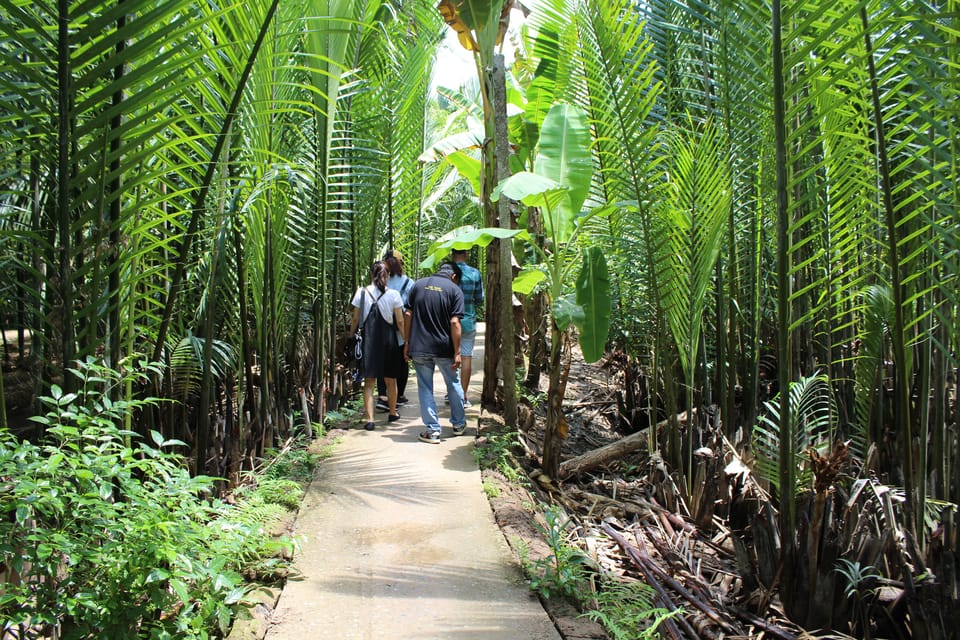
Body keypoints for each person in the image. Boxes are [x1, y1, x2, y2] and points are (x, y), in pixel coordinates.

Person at [403, 262, 466, 443]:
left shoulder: (418, 285)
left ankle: (432, 431)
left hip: (420, 347)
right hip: (445, 348)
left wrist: (407, 343)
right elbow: (455, 323)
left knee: (425, 387)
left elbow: (408, 315)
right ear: (454, 277)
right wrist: (458, 352)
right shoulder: (454, 291)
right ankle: (459, 424)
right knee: (453, 383)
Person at [349, 261, 405, 430]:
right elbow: (400, 321)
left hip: (369, 341)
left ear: (372, 275)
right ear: (387, 275)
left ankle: (370, 419)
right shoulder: (394, 294)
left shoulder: (361, 292)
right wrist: (406, 340)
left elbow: (355, 319)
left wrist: (350, 335)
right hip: (389, 341)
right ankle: (393, 412)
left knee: (369, 382)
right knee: (390, 379)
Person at [375, 249, 414, 412]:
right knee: (401, 361)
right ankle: (399, 395)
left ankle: (384, 395)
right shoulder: (409, 283)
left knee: (382, 362)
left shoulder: (379, 281)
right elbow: (411, 308)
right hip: (401, 328)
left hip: (382, 328)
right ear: (400, 264)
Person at [451, 247, 483, 407]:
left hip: (450, 322)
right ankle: (463, 395)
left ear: (452, 255)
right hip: (468, 320)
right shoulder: (475, 273)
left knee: (451, 357)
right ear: (466, 254)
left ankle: (452, 393)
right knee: (466, 357)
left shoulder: (448, 273)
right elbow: (479, 298)